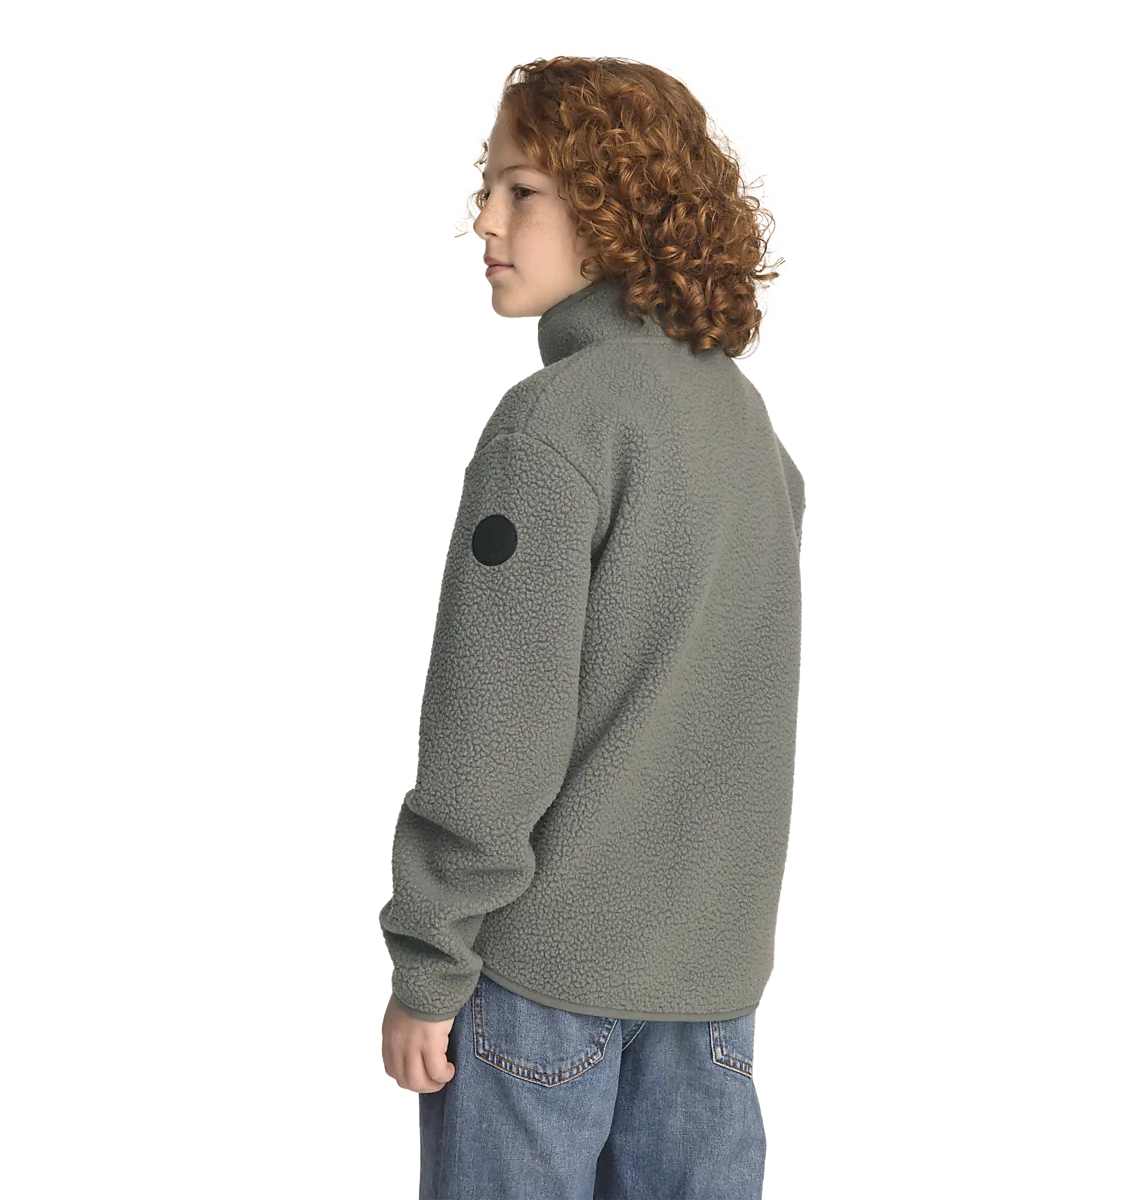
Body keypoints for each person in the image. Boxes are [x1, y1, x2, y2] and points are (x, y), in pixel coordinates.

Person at [381, 54, 798, 1200]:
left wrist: (428, 961)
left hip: (541, 988)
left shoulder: (552, 430)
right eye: (486, 189)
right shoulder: (747, 430)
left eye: (520, 190)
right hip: (711, 995)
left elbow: (494, 729)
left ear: (618, 208)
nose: (482, 221)